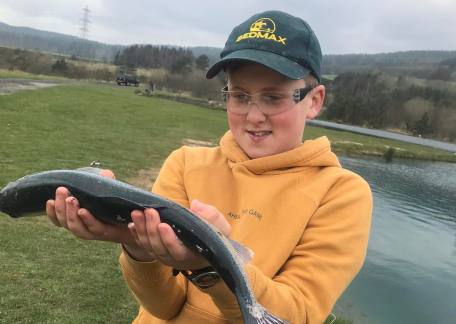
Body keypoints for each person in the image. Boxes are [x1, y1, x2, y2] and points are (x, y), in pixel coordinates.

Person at [46, 10, 372, 324]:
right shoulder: (186, 164)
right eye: (240, 96)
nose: (254, 115)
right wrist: (136, 246)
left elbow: (292, 316)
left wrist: (210, 263)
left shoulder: (341, 193)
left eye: (273, 97)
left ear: (314, 101)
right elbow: (163, 307)